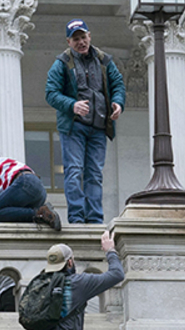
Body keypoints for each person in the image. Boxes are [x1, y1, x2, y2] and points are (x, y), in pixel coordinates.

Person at [45, 20, 125, 225]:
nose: (81, 42)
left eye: (83, 37)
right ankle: (77, 217)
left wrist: (118, 103)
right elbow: (51, 94)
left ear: (90, 36)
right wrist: (72, 105)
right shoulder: (61, 63)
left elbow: (118, 84)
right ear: (69, 41)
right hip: (74, 127)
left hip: (98, 126)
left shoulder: (104, 60)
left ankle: (96, 219)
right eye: (76, 39)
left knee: (95, 174)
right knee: (73, 171)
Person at [0, 136, 61, 230]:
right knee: (8, 214)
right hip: (38, 189)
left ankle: (40, 213)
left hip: (24, 183)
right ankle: (44, 214)